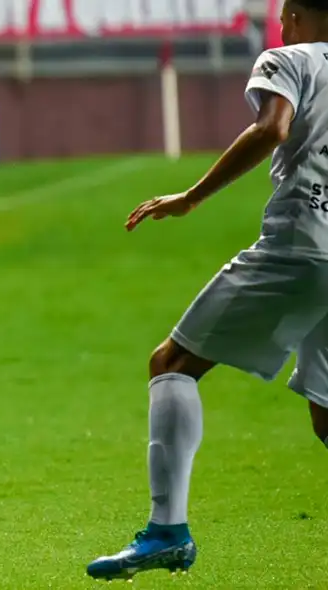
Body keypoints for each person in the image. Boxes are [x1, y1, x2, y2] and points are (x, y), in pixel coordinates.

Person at [86, 0, 328, 580]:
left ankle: (167, 532)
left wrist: (191, 196)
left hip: (302, 249)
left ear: (293, 15)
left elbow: (272, 127)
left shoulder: (290, 59)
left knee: (172, 362)